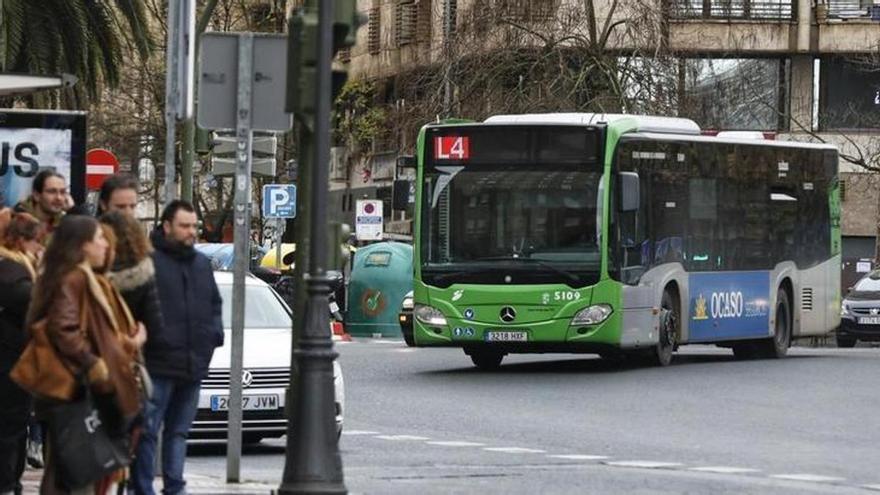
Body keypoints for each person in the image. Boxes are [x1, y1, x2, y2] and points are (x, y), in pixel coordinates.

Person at [27, 215, 145, 495]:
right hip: (79, 393)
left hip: (71, 393)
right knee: (79, 472)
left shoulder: (73, 277)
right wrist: (96, 366)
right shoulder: (74, 278)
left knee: (65, 472)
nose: (106, 245)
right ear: (81, 246)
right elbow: (64, 329)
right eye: (99, 239)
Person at [131, 200, 223, 495]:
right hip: (157, 364)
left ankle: (175, 487)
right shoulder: (149, 262)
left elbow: (214, 305)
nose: (191, 232)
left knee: (179, 432)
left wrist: (213, 337)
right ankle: (143, 488)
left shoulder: (200, 263)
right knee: (146, 430)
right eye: (184, 226)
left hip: (193, 364)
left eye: (194, 226)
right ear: (167, 226)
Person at [0, 213, 44, 495]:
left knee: (15, 429)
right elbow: (35, 303)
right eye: (36, 242)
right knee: (11, 430)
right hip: (10, 365)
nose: (40, 248)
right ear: (21, 241)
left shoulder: (18, 268)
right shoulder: (11, 272)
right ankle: (7, 484)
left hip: (15, 363)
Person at [13, 170, 67, 236]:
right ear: (36, 195)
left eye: (63, 192)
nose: (59, 198)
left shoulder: (65, 223)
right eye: (52, 192)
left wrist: (74, 210)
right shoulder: (15, 222)